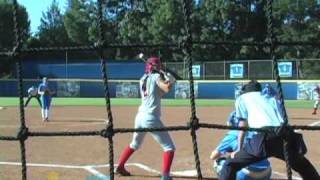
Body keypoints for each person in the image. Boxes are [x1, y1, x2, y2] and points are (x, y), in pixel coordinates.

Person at [219, 80, 320, 180]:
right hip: (285, 135)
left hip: (263, 138)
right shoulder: (271, 97)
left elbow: (242, 126)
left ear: (246, 91)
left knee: (230, 164)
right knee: (304, 166)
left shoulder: (242, 98)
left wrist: (239, 149)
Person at [115, 56, 176, 180]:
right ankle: (165, 175)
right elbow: (166, 88)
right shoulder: (156, 77)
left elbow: (159, 92)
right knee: (169, 147)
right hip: (151, 118)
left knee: (135, 144)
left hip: (140, 117)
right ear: (156, 67)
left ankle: (120, 166)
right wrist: (170, 81)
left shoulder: (142, 79)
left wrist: (168, 80)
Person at [210, 111, 271, 180]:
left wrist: (228, 154)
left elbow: (213, 156)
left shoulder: (232, 134)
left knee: (218, 162)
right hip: (267, 173)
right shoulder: (255, 131)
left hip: (246, 175)